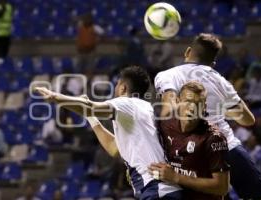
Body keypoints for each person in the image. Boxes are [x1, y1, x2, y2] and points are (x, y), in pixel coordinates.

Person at [154, 33, 261, 200]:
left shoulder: (168, 75)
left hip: (189, 154)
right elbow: (248, 119)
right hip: (228, 149)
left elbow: (168, 111)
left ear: (188, 51)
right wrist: (218, 109)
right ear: (212, 63)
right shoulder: (220, 80)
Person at [35, 66, 182, 199]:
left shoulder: (126, 103)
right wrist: (91, 118)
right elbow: (115, 148)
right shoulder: (141, 110)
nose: (115, 88)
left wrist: (56, 97)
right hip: (158, 189)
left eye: (117, 84)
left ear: (123, 88)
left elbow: (91, 107)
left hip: (156, 189)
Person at [149, 81, 230, 199]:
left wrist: (176, 177)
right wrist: (137, 173)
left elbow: (222, 187)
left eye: (198, 104)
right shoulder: (164, 126)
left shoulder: (214, 138)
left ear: (204, 107)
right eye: (188, 102)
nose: (192, 108)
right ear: (177, 101)